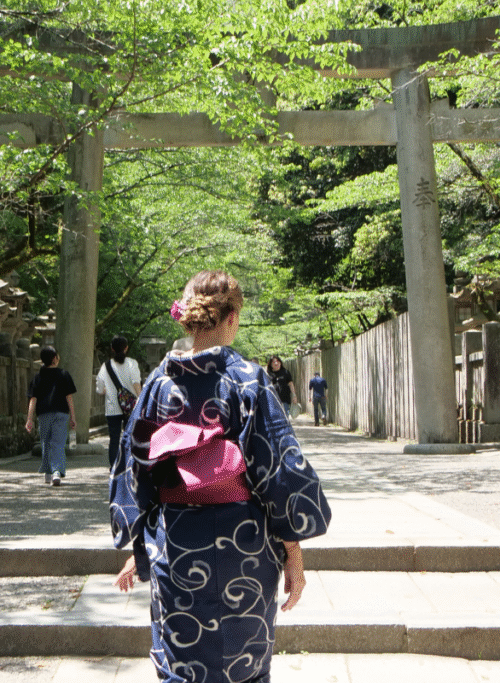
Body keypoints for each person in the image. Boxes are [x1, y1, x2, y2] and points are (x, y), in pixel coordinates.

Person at [109, 270, 331, 683]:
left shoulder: (157, 385)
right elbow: (279, 474)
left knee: (181, 664)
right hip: (242, 550)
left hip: (176, 548)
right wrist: (295, 560)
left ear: (188, 318)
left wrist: (138, 545)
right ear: (231, 318)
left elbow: (134, 473)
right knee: (242, 666)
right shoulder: (248, 380)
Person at [25, 346, 77, 486]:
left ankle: (49, 472)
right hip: (61, 413)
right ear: (54, 359)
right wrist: (73, 417)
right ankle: (56, 472)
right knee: (58, 443)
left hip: (44, 414)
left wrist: (29, 419)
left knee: (46, 442)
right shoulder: (64, 374)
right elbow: (69, 398)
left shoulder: (38, 377)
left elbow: (33, 399)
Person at [96, 335, 143, 469]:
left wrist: (105, 390)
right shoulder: (132, 363)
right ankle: (129, 464)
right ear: (126, 348)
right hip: (131, 407)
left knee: (114, 439)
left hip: (112, 408)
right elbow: (136, 383)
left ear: (112, 349)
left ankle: (114, 466)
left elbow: (99, 388)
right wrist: (141, 401)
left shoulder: (106, 366)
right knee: (130, 436)